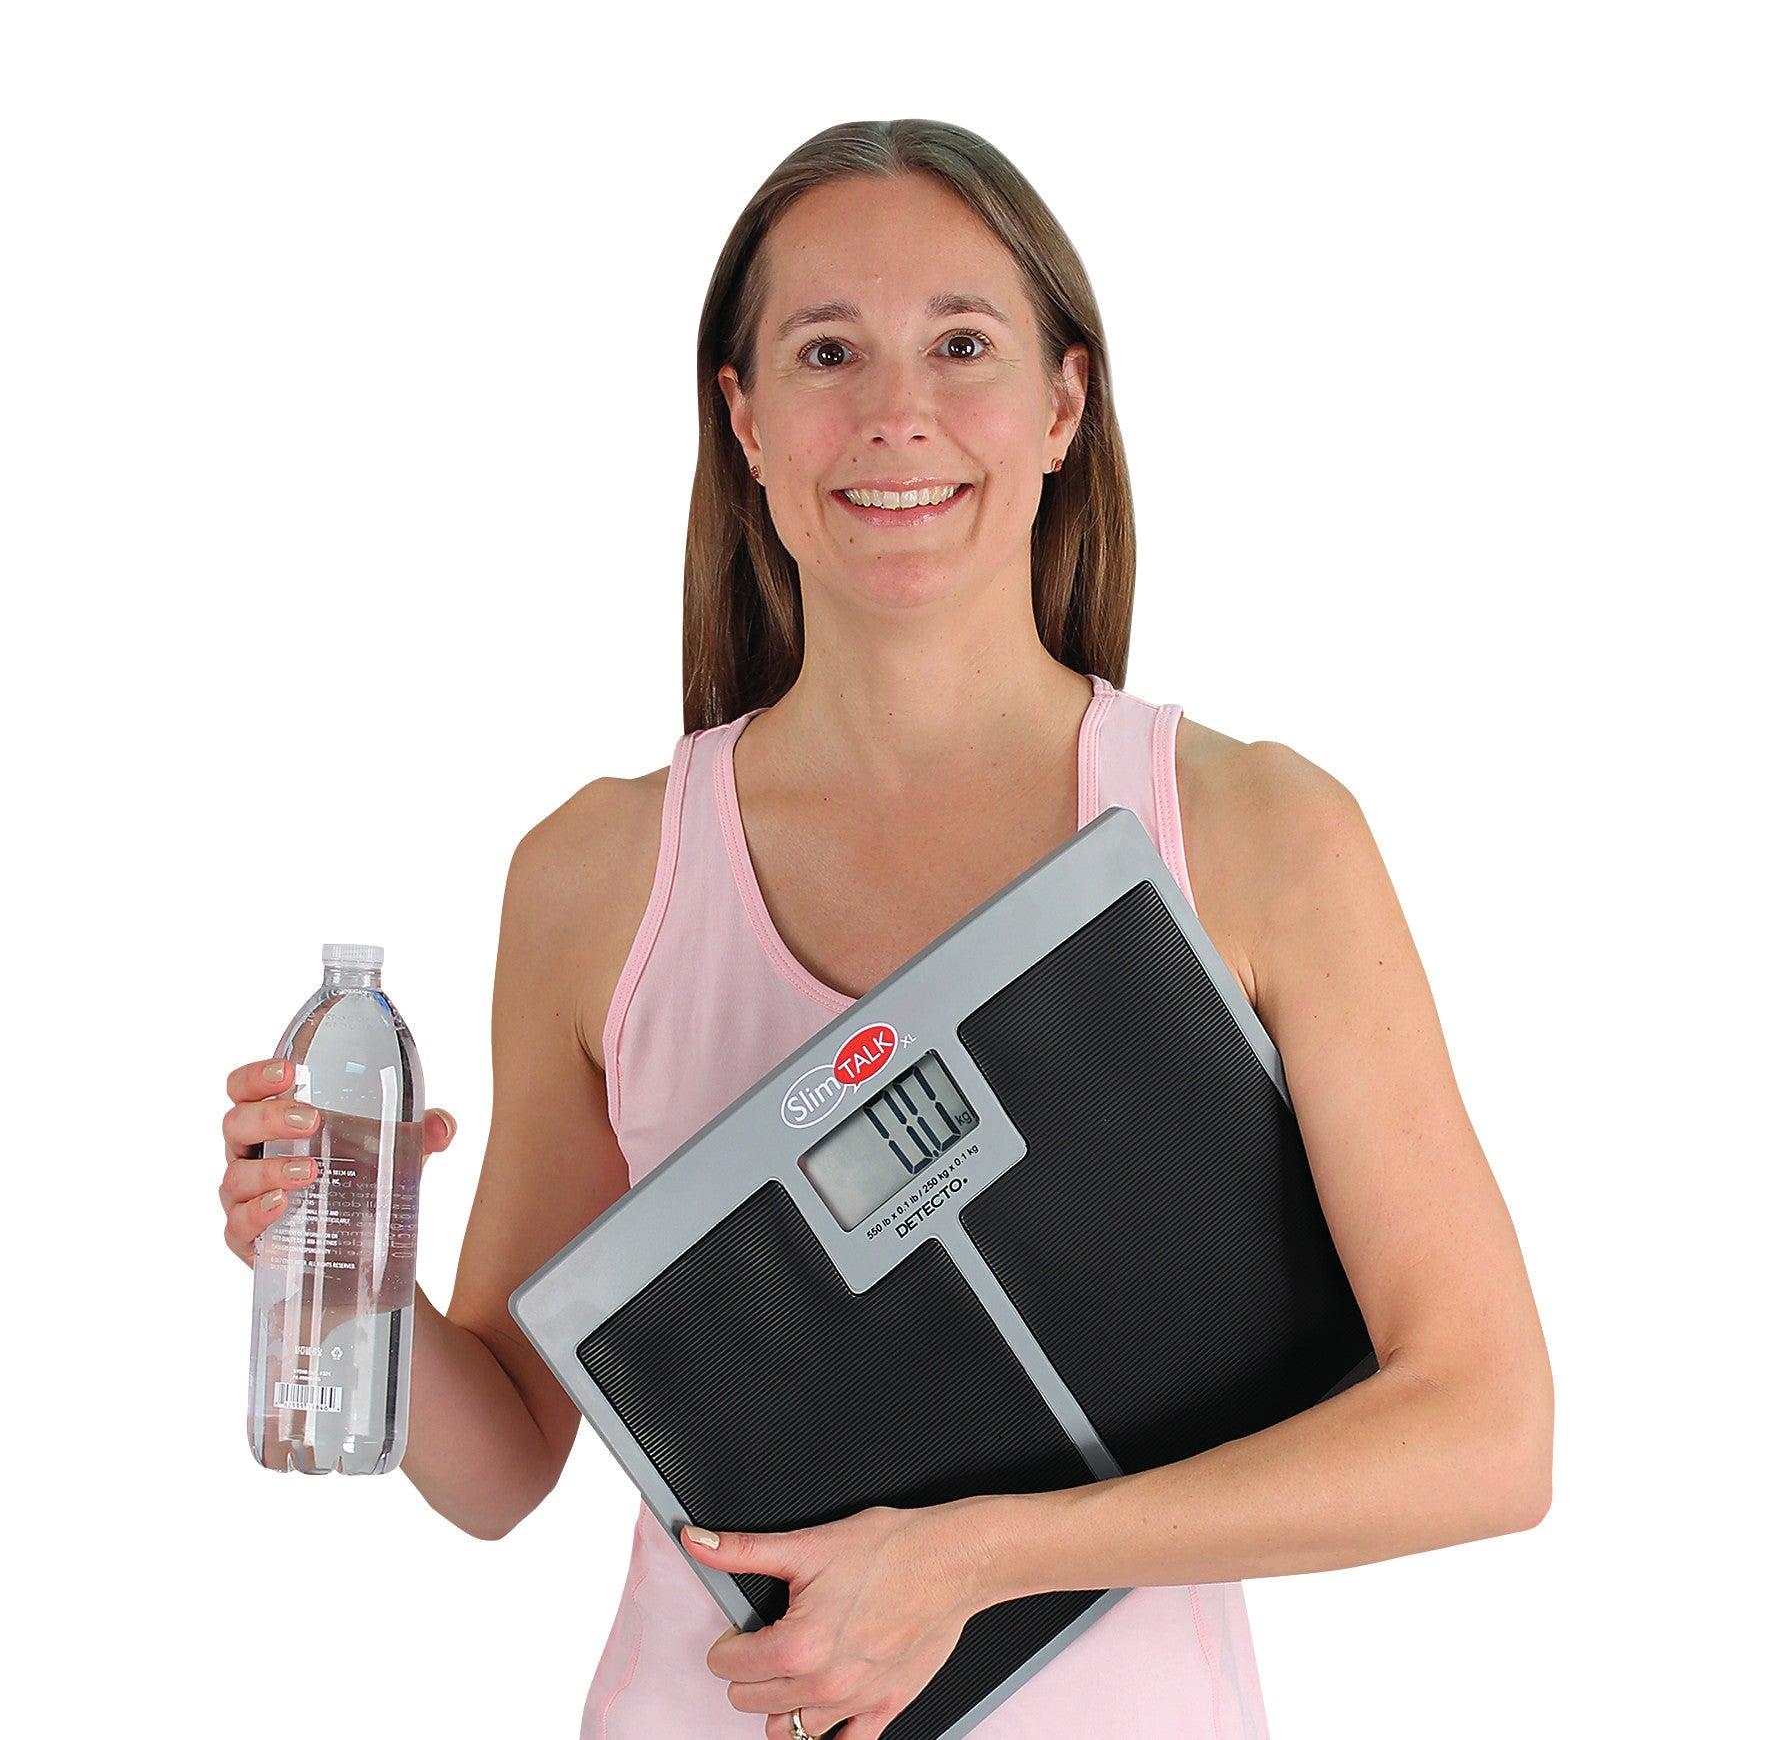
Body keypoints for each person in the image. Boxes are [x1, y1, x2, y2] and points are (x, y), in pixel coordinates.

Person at [218, 119, 1554, 1740]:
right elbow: (505, 1461)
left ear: (1063, 403)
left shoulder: (1255, 836)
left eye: (962, 344)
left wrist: (980, 1558)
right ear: (745, 417)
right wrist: (351, 1262)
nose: (895, 413)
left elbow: (1486, 1428)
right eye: (827, 351)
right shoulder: (597, 873)